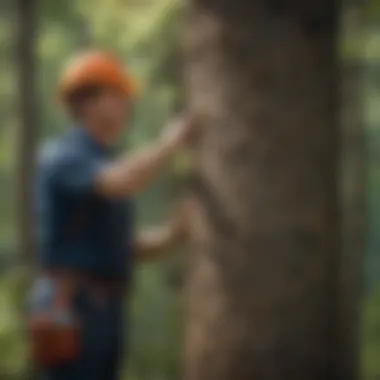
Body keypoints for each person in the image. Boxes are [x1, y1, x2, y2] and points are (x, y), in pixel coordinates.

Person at [29, 50, 193, 380]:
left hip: (105, 308)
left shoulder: (104, 159)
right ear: (91, 101)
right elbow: (120, 181)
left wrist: (173, 234)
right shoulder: (63, 156)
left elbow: (123, 246)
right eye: (118, 95)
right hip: (72, 307)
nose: (126, 105)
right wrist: (169, 144)